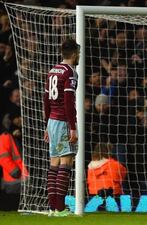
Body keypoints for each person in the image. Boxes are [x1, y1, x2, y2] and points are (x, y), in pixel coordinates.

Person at [43, 39, 80, 217]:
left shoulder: (52, 71)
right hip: (64, 121)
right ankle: (59, 209)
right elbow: (68, 102)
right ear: (73, 53)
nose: (79, 56)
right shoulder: (70, 72)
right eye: (78, 53)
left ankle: (52, 208)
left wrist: (46, 126)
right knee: (66, 163)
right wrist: (72, 128)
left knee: (54, 164)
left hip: (51, 121)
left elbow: (46, 99)